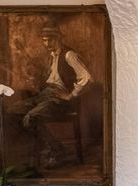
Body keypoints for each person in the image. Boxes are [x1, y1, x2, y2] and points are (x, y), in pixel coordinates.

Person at [18, 25, 92, 168]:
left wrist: (71, 95)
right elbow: (52, 78)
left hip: (60, 99)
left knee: (31, 117)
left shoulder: (69, 55)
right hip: (46, 94)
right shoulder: (51, 56)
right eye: (44, 40)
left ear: (59, 38)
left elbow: (86, 77)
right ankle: (45, 150)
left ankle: (56, 151)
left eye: (50, 40)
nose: (47, 44)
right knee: (14, 111)